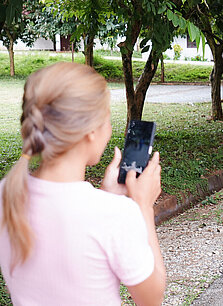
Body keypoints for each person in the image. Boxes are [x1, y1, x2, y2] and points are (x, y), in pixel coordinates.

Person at [0, 62, 166, 305]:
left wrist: (104, 194)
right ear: (90, 130)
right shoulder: (114, 214)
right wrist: (143, 206)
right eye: (107, 118)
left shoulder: (6, 193)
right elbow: (151, 299)